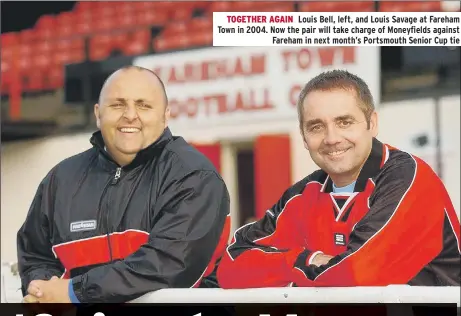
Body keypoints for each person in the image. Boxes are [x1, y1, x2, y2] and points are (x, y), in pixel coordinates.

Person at [217, 70, 460, 288]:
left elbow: (358, 273)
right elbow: (230, 265)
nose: (331, 138)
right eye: (316, 127)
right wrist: (304, 260)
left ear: (372, 123)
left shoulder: (408, 177)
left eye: (344, 122)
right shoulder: (303, 195)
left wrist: (288, 270)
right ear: (304, 136)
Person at [17, 66, 231, 303]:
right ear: (98, 113)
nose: (130, 115)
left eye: (144, 105)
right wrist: (42, 289)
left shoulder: (194, 176)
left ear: (165, 114)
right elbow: (35, 253)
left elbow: (170, 265)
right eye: (117, 105)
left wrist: (74, 292)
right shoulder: (60, 179)